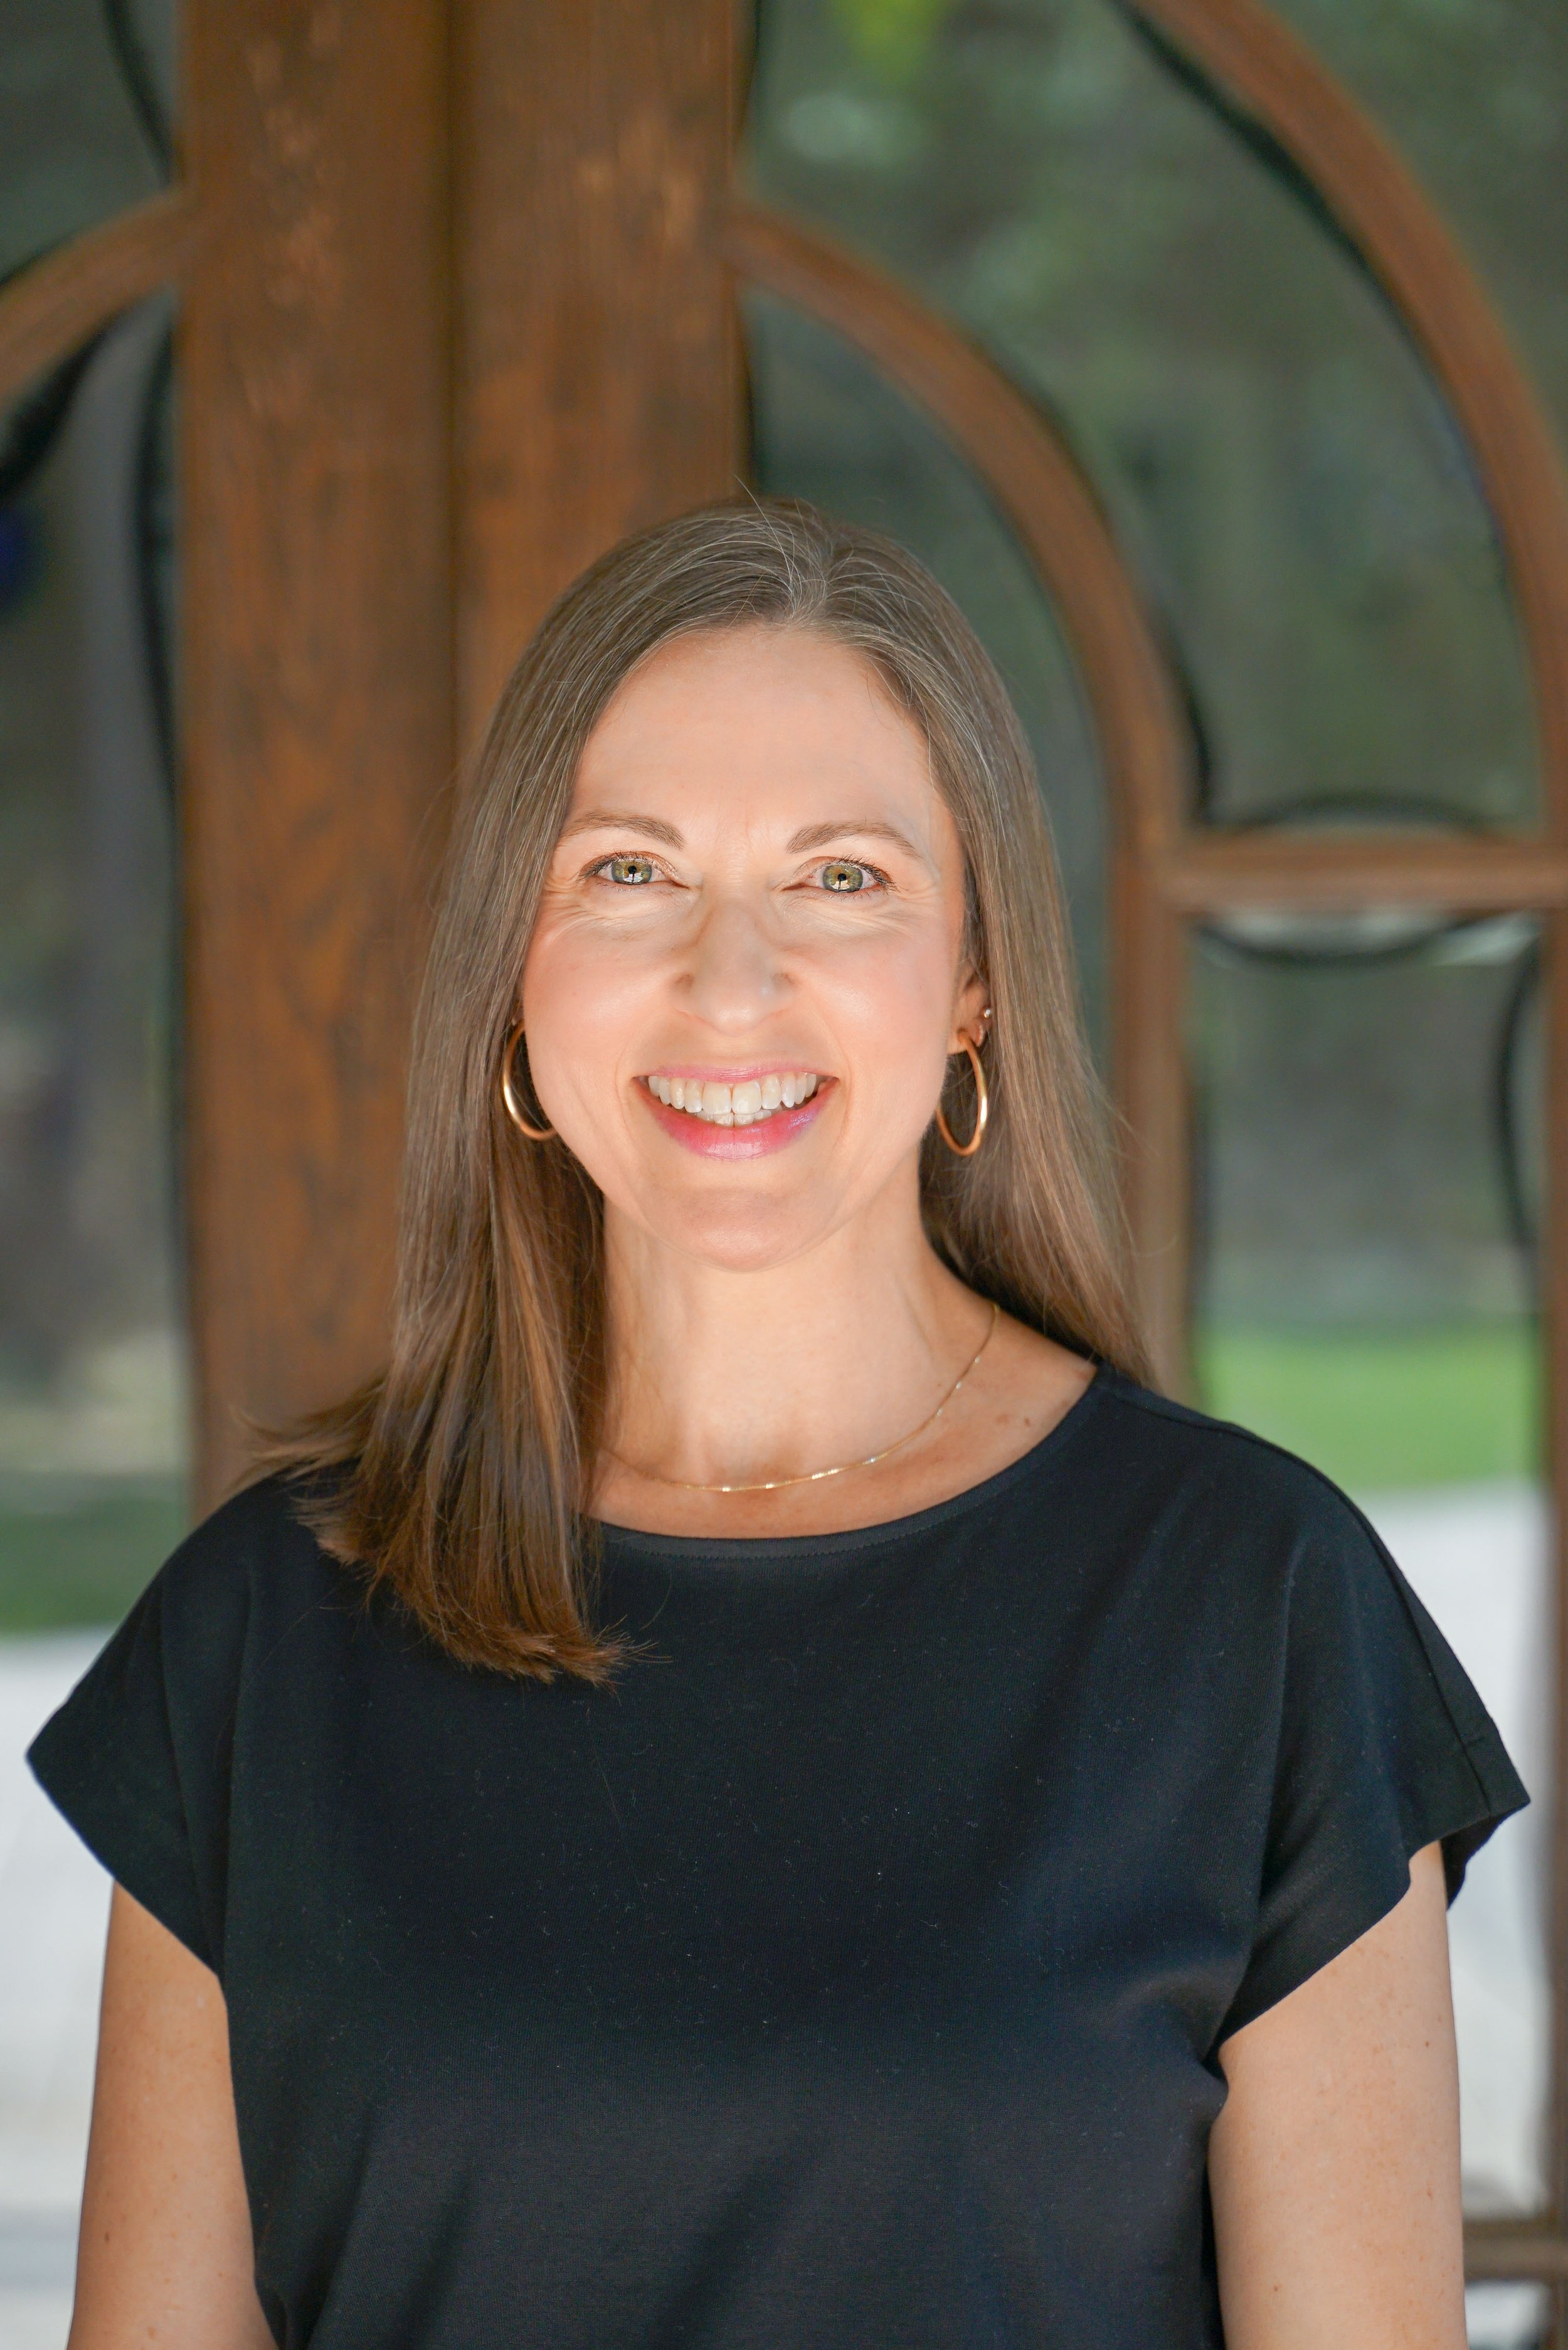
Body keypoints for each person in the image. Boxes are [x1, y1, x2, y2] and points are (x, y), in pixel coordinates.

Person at [33, 501, 1522, 2349]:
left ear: (973, 977)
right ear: (516, 964)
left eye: (841, 877)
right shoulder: (262, 1633)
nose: (727, 986)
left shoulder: (1248, 1605)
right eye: (629, 872)